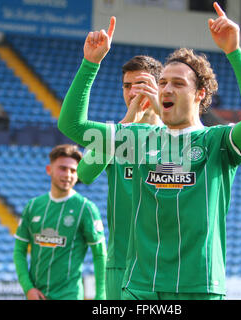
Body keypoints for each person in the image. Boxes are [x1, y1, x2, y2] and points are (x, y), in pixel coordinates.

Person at [58, 2, 241, 300]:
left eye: (177, 83)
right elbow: (71, 124)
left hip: (198, 286)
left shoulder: (218, 141)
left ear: (200, 94)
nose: (166, 89)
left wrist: (234, 52)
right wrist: (90, 64)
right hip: (140, 285)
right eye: (162, 83)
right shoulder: (136, 138)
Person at [77, 55, 163, 300]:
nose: (134, 92)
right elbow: (84, 173)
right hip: (121, 263)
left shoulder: (177, 136)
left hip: (166, 263)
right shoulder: (115, 134)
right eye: (127, 86)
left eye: (142, 85)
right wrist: (125, 124)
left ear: (159, 88)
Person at [13, 144, 107, 300]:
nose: (68, 175)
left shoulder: (86, 208)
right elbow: (19, 251)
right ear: (49, 169)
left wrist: (101, 296)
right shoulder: (33, 206)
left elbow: (100, 255)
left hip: (69, 295)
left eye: (73, 170)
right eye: (63, 168)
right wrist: (28, 288)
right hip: (37, 295)